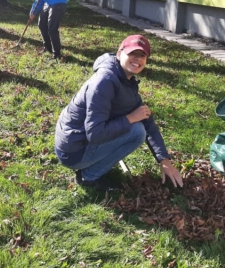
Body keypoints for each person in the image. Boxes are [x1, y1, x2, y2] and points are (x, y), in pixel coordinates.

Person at [55, 34, 183, 191]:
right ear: (119, 54)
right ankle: (88, 176)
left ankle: (95, 162)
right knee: (137, 132)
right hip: (73, 151)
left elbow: (146, 119)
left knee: (140, 125)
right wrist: (130, 118)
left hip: (76, 141)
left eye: (142, 55)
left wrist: (164, 159)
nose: (137, 59)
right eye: (132, 53)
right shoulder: (105, 81)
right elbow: (95, 133)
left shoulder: (124, 80)